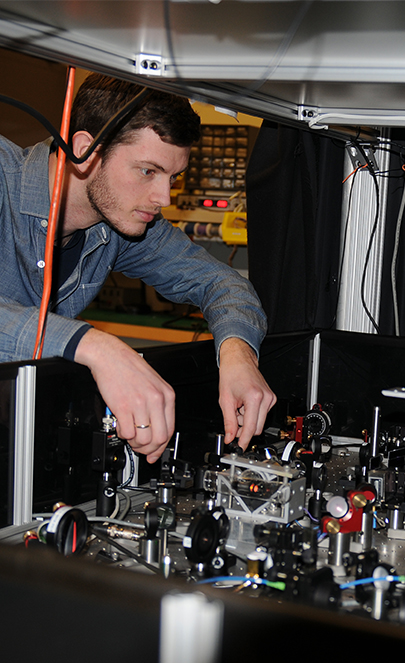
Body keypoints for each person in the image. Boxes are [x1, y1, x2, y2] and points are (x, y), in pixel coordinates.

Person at [0, 72, 275, 461]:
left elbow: (220, 282)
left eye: (172, 177)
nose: (163, 196)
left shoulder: (122, 227)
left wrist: (237, 353)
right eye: (148, 171)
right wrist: (96, 346)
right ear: (85, 152)